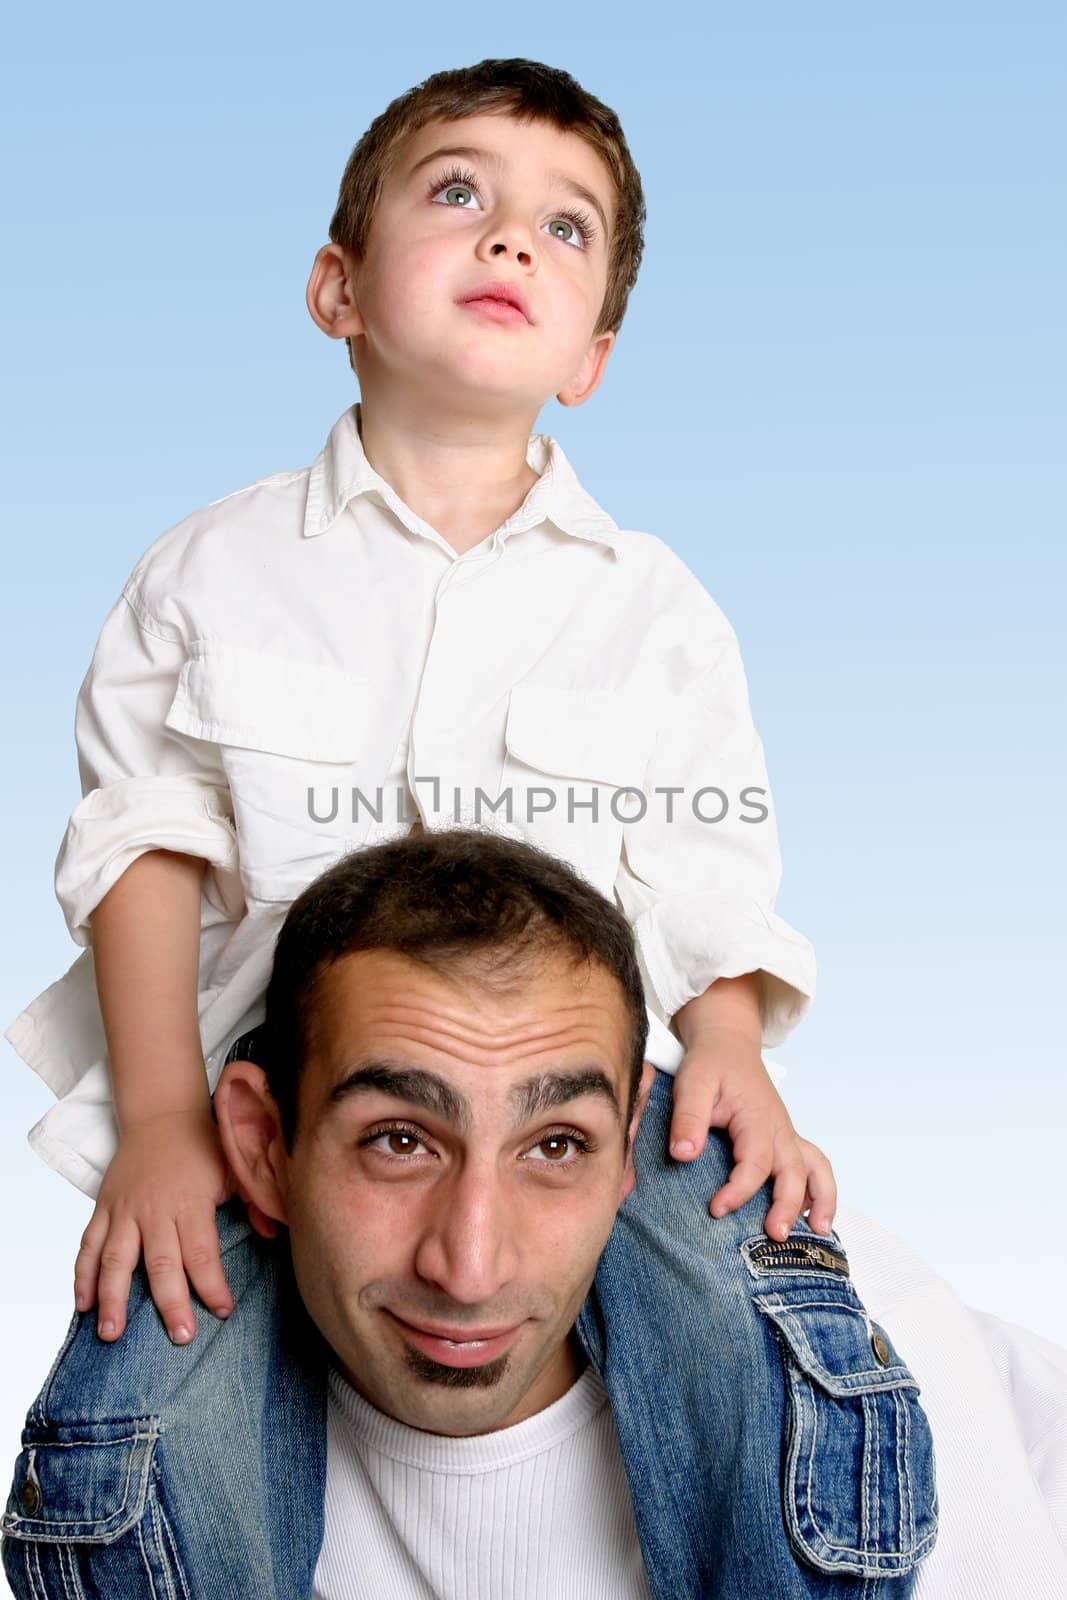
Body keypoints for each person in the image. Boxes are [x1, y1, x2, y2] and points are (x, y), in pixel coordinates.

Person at [5, 63, 832, 1348]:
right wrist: (164, 1124)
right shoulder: (210, 571)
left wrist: (730, 1044)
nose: (509, 235)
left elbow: (702, 854)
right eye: (457, 193)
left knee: (760, 1299)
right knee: (149, 1374)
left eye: (566, 226)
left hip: (569, 1090)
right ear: (339, 288)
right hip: (269, 1085)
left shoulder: (655, 608)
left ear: (590, 357)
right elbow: (141, 849)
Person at [2, 829, 942, 1599]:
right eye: (399, 1142)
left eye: (556, 1145)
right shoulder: (162, 1472)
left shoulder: (896, 1427)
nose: (471, 1268)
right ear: (262, 1149)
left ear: (629, 1145)